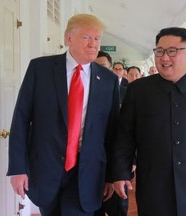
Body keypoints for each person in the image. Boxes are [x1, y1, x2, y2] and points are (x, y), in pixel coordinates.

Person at [7, 14, 120, 216]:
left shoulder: (109, 81)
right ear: (69, 39)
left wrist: (112, 175)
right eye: (87, 37)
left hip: (86, 173)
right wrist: (17, 168)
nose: (93, 44)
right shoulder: (40, 69)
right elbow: (21, 119)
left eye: (97, 39)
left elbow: (111, 133)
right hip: (45, 168)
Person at [112, 27, 186, 216]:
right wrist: (120, 173)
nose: (164, 58)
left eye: (172, 51)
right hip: (155, 186)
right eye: (159, 51)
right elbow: (125, 135)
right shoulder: (138, 91)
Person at [94, 51, 130, 216]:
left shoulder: (125, 93)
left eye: (102, 67)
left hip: (116, 163)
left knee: (118, 207)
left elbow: (130, 130)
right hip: (91, 165)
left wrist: (132, 160)